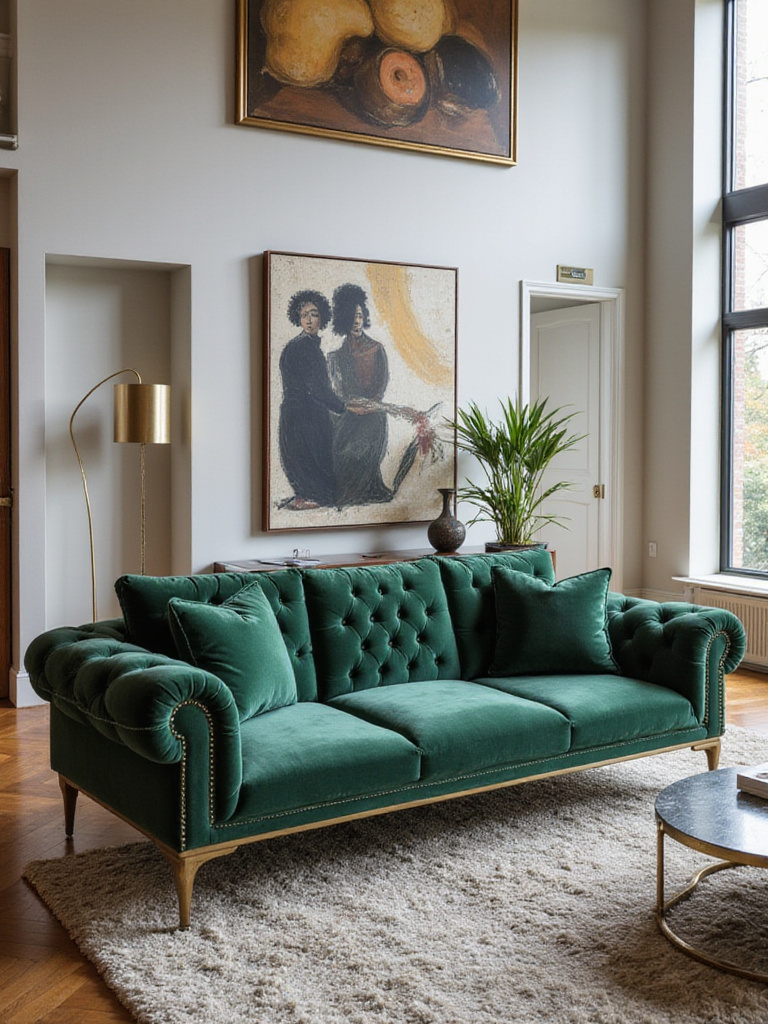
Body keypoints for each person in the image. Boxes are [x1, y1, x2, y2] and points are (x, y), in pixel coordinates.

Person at [278, 289, 345, 509]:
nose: (308, 319)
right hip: (303, 415)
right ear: (298, 318)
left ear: (322, 317)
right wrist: (342, 407)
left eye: (314, 314)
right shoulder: (303, 347)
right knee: (312, 457)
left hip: (302, 413)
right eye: (304, 314)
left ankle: (305, 495)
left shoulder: (305, 345)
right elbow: (318, 389)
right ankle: (306, 496)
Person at [328, 283, 393, 506]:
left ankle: (365, 489)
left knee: (368, 433)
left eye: (359, 315)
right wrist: (350, 405)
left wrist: (370, 405)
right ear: (343, 319)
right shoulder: (336, 356)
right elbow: (338, 390)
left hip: (373, 413)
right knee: (340, 443)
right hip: (349, 412)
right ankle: (347, 490)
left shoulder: (377, 348)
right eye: (352, 316)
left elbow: (381, 383)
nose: (357, 320)